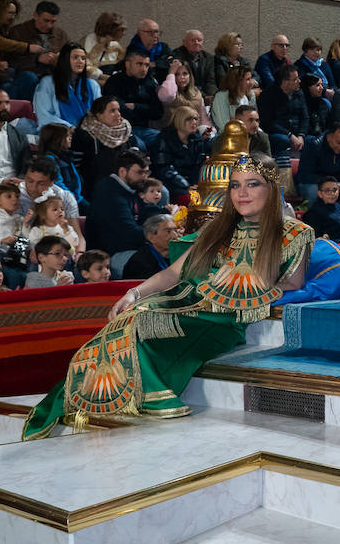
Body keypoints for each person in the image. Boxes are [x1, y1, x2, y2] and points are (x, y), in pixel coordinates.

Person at [23, 155, 314, 438]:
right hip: (185, 301)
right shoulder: (219, 228)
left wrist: (253, 288)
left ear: (272, 188)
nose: (242, 193)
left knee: (139, 322)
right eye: (235, 185)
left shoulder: (295, 232)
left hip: (222, 319)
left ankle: (151, 396)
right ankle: (86, 400)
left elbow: (293, 282)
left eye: (252, 184)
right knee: (125, 320)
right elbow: (174, 273)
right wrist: (133, 292)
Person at [84, 149, 151, 256]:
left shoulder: (132, 188)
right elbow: (131, 234)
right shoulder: (110, 195)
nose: (144, 177)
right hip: (108, 256)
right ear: (122, 172)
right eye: (140, 172)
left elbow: (145, 213)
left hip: (128, 247)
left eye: (147, 172)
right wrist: (158, 232)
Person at [7, 0, 67, 100]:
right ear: (35, 15)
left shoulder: (60, 35)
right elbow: (10, 60)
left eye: (53, 22)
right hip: (27, 73)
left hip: (52, 72)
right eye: (46, 21)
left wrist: (59, 59)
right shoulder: (18, 32)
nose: (49, 26)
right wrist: (37, 60)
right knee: (29, 77)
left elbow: (69, 54)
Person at [102, 51, 163, 146]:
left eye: (147, 65)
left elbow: (158, 112)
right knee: (140, 146)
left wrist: (135, 106)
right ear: (127, 64)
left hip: (143, 129)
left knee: (164, 140)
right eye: (139, 64)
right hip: (120, 129)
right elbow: (119, 111)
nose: (144, 69)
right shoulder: (115, 81)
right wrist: (146, 109)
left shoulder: (149, 82)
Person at [149, 107, 210, 200]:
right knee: (189, 198)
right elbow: (165, 170)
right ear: (179, 121)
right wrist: (186, 186)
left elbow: (199, 166)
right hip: (170, 184)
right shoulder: (164, 139)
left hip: (192, 184)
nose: (194, 122)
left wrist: (196, 185)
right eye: (189, 119)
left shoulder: (197, 140)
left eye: (195, 119)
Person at [34, 43, 100, 128]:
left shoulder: (93, 85)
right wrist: (69, 127)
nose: (80, 61)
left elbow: (100, 112)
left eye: (83, 58)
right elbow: (44, 115)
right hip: (59, 132)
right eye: (75, 57)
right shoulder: (47, 83)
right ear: (64, 60)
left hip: (88, 131)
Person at [71, 96, 134, 185]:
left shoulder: (126, 131)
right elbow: (76, 168)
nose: (118, 114)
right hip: (94, 187)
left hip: (123, 184)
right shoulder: (83, 136)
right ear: (98, 115)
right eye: (112, 111)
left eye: (118, 110)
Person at [296, 122, 340, 204]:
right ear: (329, 137)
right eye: (338, 143)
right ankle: (315, 216)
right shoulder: (313, 145)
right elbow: (305, 175)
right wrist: (330, 183)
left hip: (338, 182)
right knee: (313, 191)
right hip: (314, 182)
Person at [258, 65, 307, 166]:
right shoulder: (267, 96)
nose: (299, 81)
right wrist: (289, 135)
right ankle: (284, 172)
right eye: (295, 79)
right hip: (278, 133)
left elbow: (305, 117)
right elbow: (268, 122)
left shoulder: (299, 94)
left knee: (312, 141)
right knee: (283, 140)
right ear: (285, 82)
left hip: (297, 134)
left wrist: (301, 135)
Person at [19, 153, 80, 223]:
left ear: (52, 182)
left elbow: (75, 231)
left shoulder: (65, 198)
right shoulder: (14, 196)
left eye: (41, 184)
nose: (33, 187)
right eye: (30, 181)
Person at [159, 59, 211, 134]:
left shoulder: (196, 93)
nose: (182, 77)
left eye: (185, 74)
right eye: (177, 74)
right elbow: (168, 95)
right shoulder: (164, 89)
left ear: (190, 75)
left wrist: (208, 132)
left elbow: (203, 119)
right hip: (170, 133)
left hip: (193, 134)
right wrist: (171, 74)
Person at [122, 213, 177, 280]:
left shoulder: (178, 255)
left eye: (175, 230)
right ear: (151, 237)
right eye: (168, 231)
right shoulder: (139, 263)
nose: (175, 236)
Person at [83, 12, 127, 85]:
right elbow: (86, 68)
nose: (123, 33)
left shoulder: (115, 45)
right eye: (121, 30)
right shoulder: (88, 43)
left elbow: (123, 63)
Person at [172, 30, 217, 97]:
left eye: (199, 40)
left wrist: (213, 96)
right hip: (184, 95)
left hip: (205, 96)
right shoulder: (176, 55)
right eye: (192, 40)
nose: (196, 43)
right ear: (184, 42)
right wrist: (203, 96)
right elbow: (185, 83)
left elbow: (211, 81)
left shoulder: (208, 57)